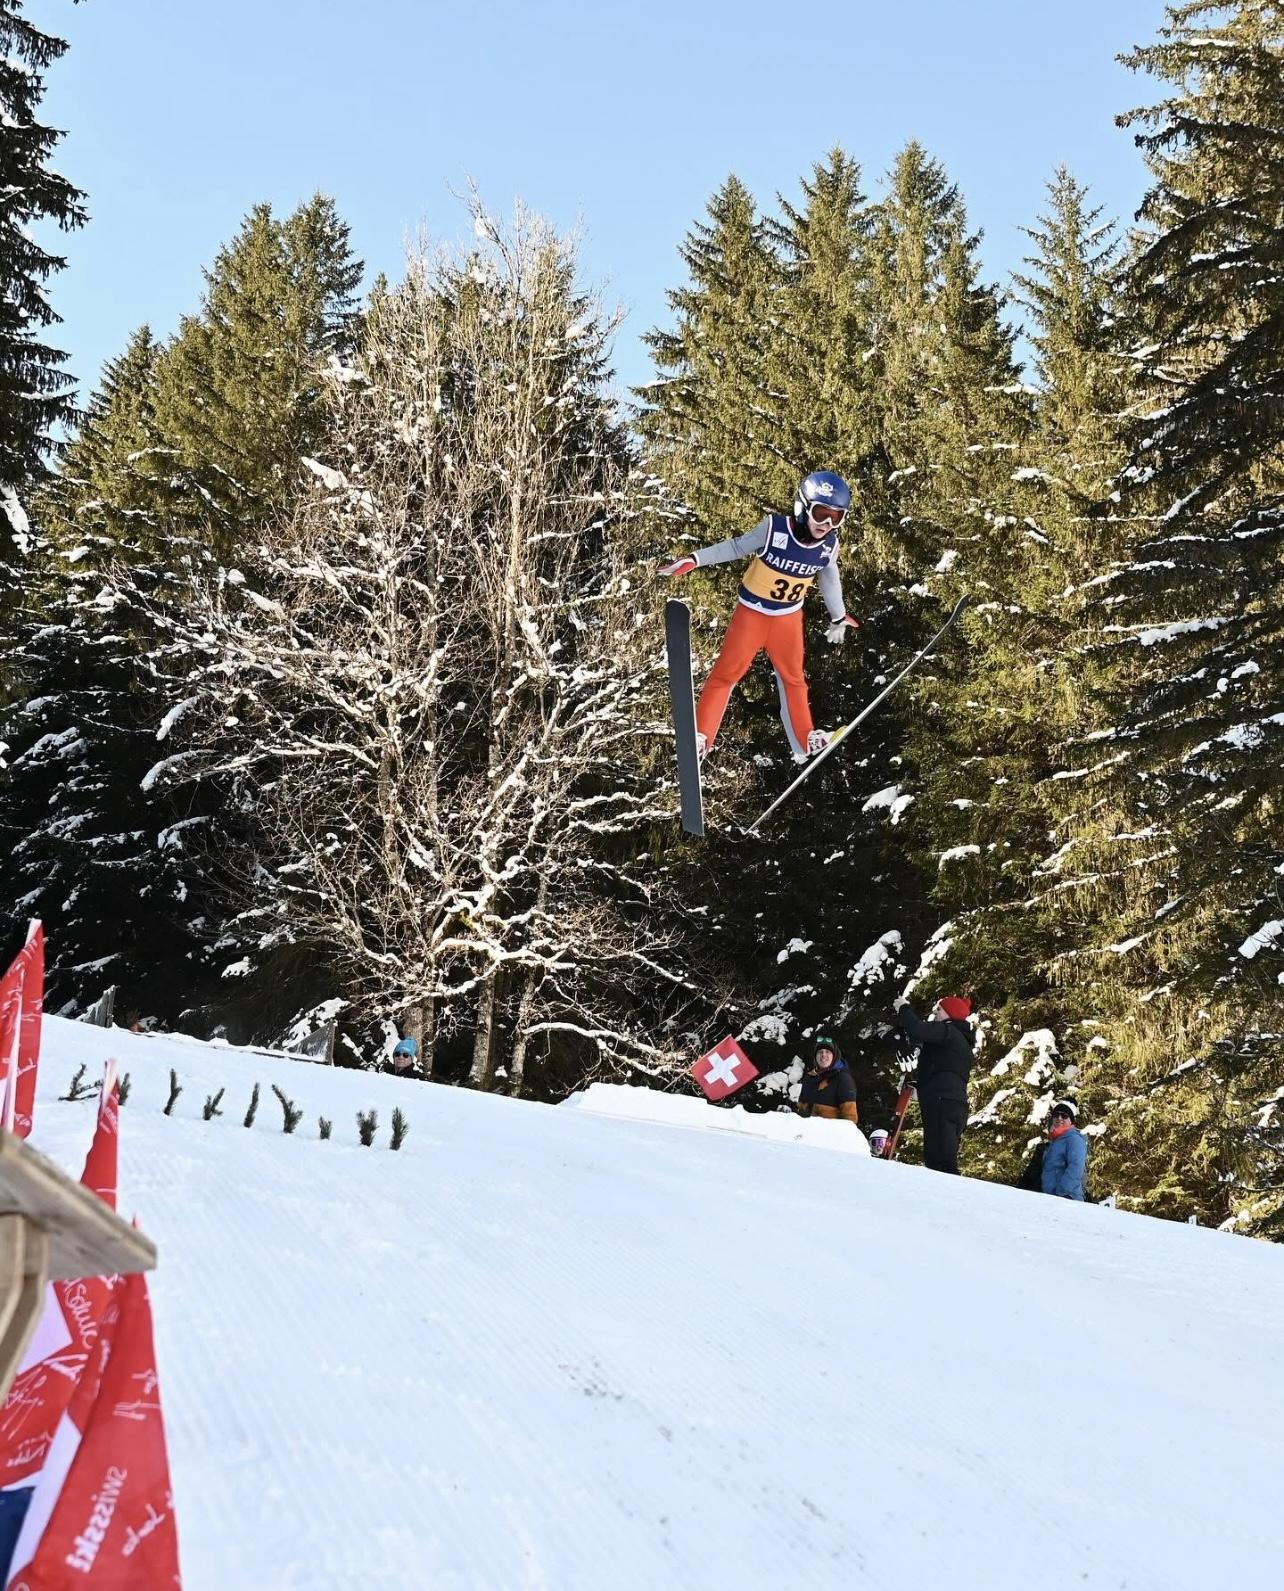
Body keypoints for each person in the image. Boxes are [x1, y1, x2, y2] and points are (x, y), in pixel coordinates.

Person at [659, 470, 862, 762]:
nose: (827, 524)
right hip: (752, 614)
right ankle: (702, 736)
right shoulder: (774, 529)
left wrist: (838, 615)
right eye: (820, 514)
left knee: (794, 680)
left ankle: (806, 740)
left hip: (788, 619)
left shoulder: (829, 545)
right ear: (803, 507)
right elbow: (736, 547)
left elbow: (830, 577)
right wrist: (695, 559)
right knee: (726, 674)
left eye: (836, 517)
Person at [891, 994, 974, 1174]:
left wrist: (903, 1008)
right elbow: (941, 1069)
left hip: (941, 1101)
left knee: (940, 1161)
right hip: (952, 1101)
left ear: (950, 1014)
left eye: (940, 1010)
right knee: (941, 1154)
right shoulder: (960, 1042)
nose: (935, 1013)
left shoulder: (948, 1032)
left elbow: (918, 1029)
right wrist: (919, 1089)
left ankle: (947, 1196)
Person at [795, 1036, 860, 1126]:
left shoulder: (843, 1079)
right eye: (820, 1052)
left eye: (828, 1052)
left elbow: (850, 1119)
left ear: (834, 1056)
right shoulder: (809, 1078)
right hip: (807, 1134)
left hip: (830, 1136)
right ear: (815, 1056)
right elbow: (801, 1111)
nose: (823, 1055)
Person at [1040, 1099, 1088, 1200]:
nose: (1059, 1118)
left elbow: (1076, 1166)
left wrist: (1062, 1192)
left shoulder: (1074, 1139)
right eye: (1056, 1115)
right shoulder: (1055, 1141)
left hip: (1067, 1198)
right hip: (1051, 1197)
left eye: (1064, 1116)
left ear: (1071, 1121)